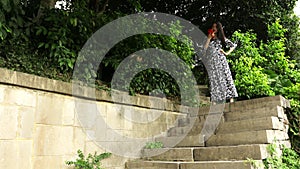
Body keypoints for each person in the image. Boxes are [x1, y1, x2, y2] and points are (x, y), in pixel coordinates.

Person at [203, 22, 238, 103]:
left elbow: (232, 45)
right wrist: (208, 38)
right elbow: (204, 50)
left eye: (216, 27)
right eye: (213, 26)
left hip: (221, 60)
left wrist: (226, 53)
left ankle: (231, 98)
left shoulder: (221, 38)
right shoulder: (209, 39)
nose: (214, 28)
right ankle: (215, 100)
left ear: (218, 29)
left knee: (226, 78)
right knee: (215, 79)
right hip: (212, 62)